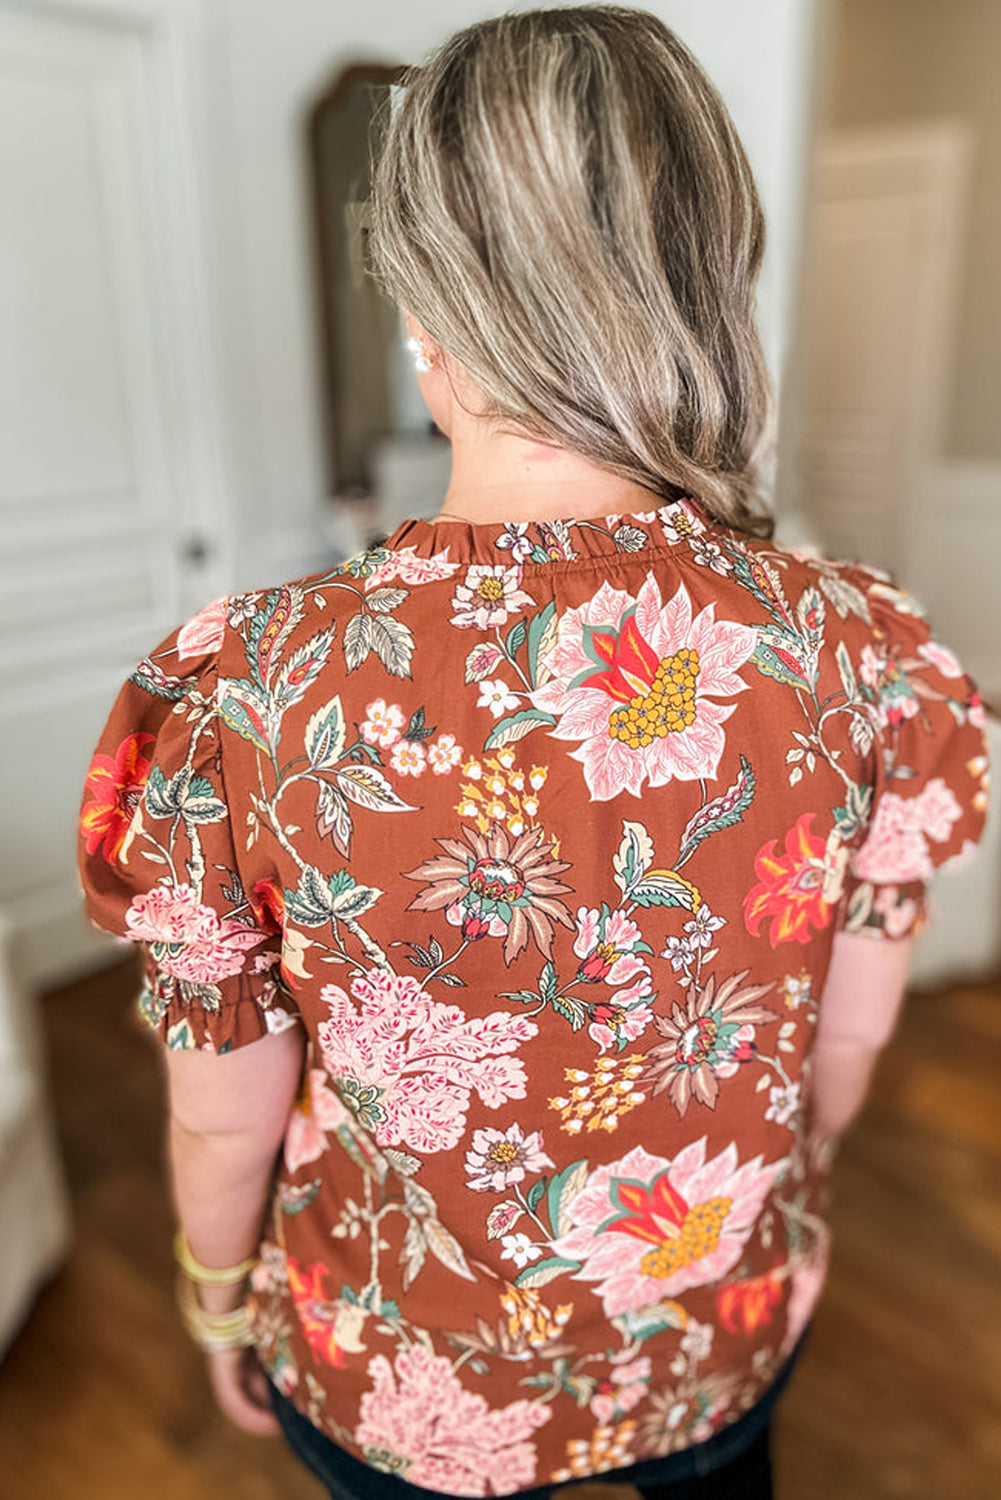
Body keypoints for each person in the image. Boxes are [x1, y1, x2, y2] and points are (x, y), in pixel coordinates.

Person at [77, 8, 990, 1498]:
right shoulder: (864, 645)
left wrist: (215, 1291)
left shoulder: (241, 689)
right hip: (711, 1325)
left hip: (395, 1363)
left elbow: (216, 1104)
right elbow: (846, 1041)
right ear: (710, 284)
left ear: (423, 321)